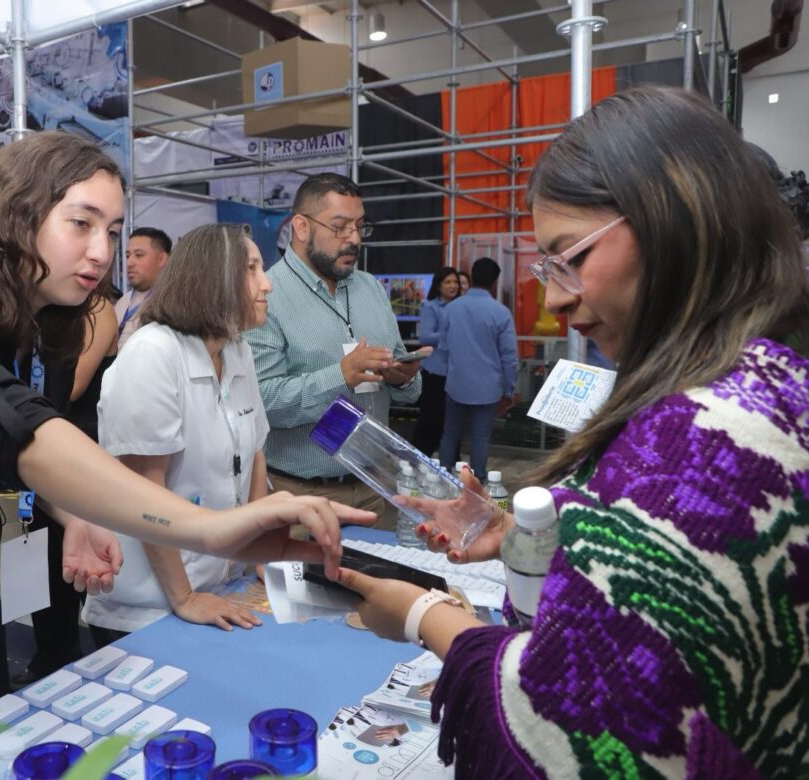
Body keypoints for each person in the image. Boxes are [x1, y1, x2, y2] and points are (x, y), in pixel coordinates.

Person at [0, 131, 371, 778]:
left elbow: (6, 448)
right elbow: (15, 425)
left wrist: (73, 511)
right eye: (80, 223)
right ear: (17, 212)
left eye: (111, 231)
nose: (100, 251)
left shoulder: (39, 324)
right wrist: (207, 527)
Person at [335, 86, 809, 777]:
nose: (555, 299)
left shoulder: (706, 438)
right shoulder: (766, 380)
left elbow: (569, 727)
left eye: (571, 257)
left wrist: (423, 616)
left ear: (670, 220)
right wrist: (539, 532)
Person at [83, 223, 272, 641]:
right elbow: (143, 488)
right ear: (215, 278)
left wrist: (260, 554)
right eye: (254, 269)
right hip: (149, 609)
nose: (267, 284)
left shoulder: (237, 350)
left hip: (221, 586)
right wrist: (184, 598)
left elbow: (254, 451)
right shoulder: (154, 352)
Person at [247, 173, 420, 528]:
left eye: (359, 227)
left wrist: (403, 379)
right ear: (301, 227)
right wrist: (340, 376)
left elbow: (408, 392)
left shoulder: (370, 287)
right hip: (299, 497)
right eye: (340, 227)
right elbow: (262, 403)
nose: (353, 239)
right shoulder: (267, 294)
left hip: (376, 488)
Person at [13, 286, 121, 687]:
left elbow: (71, 386)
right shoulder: (35, 312)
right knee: (32, 568)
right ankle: (50, 658)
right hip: (32, 453)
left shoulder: (96, 309)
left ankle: (82, 664)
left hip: (76, 456)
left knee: (74, 573)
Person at [437, 257, 517, 481]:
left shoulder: (451, 309)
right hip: (488, 390)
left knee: (450, 434)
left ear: (471, 277)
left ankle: (445, 477)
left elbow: (443, 348)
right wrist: (509, 390)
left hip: (455, 385)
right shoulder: (501, 313)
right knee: (480, 438)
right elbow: (509, 358)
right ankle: (478, 481)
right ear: (495, 282)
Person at [410, 266, 460, 457]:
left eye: (455, 282)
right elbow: (425, 337)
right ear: (438, 286)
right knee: (430, 419)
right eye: (448, 282)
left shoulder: (461, 305)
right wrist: (449, 334)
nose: (453, 285)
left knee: (452, 420)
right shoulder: (431, 306)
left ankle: (451, 458)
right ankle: (418, 458)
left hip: (455, 372)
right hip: (435, 372)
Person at [115, 226, 170, 347]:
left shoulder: (172, 305)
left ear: (161, 259)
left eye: (139, 255)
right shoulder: (123, 301)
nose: (129, 263)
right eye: (128, 256)